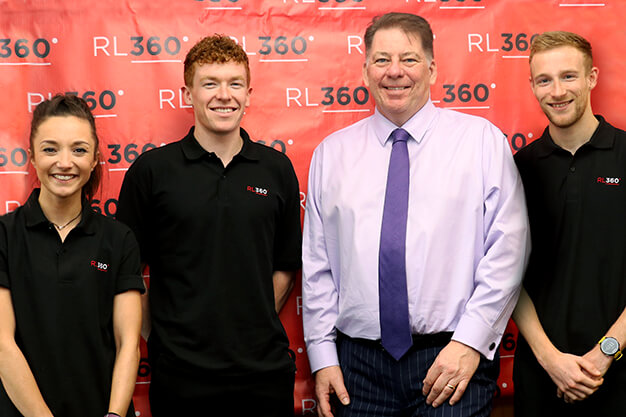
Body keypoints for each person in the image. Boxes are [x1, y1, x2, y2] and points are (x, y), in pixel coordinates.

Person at [302, 12, 530, 417]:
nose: (394, 72)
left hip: (452, 360)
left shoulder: (480, 142)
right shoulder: (331, 154)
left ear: (432, 67)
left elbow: (508, 250)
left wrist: (470, 342)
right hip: (357, 370)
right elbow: (318, 268)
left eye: (408, 59)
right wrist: (323, 356)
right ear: (365, 69)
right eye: (382, 59)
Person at [116, 35, 302, 416]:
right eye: (210, 83)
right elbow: (125, 274)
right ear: (188, 94)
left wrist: (249, 320)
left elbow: (285, 263)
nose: (224, 95)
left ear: (249, 94)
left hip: (263, 374)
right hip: (181, 376)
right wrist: (162, 339)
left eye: (234, 83)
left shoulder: (277, 169)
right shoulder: (151, 172)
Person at [0, 94, 143, 417]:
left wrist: (115, 415)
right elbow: (2, 346)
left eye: (79, 150)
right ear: (32, 158)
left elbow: (128, 345)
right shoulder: (4, 236)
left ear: (94, 160)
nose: (65, 162)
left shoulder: (119, 239)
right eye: (50, 149)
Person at [512, 31, 626, 416]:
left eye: (569, 76)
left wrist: (604, 353)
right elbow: (506, 275)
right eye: (544, 80)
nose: (557, 91)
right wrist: (551, 360)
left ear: (592, 77)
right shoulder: (517, 170)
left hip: (619, 376)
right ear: (532, 86)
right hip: (543, 377)